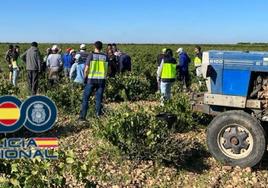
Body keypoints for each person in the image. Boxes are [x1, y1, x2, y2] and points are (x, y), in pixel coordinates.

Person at [79, 41, 110, 121]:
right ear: (101, 47)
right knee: (99, 100)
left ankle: (82, 117)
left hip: (91, 80)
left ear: (94, 46)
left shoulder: (91, 56)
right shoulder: (105, 57)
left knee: (86, 98)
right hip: (101, 81)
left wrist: (85, 79)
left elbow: (86, 70)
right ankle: (97, 117)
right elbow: (109, 70)